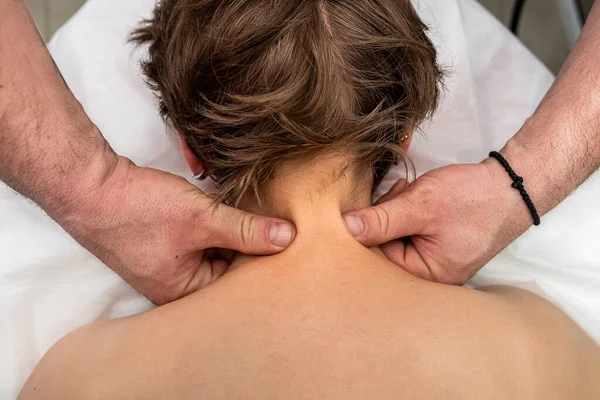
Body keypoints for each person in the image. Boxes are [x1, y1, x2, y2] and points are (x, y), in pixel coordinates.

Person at [17, 1, 600, 398]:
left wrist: (94, 185)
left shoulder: (81, 376)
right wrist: (517, 185)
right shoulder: (544, 353)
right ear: (404, 137)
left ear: (189, 151)